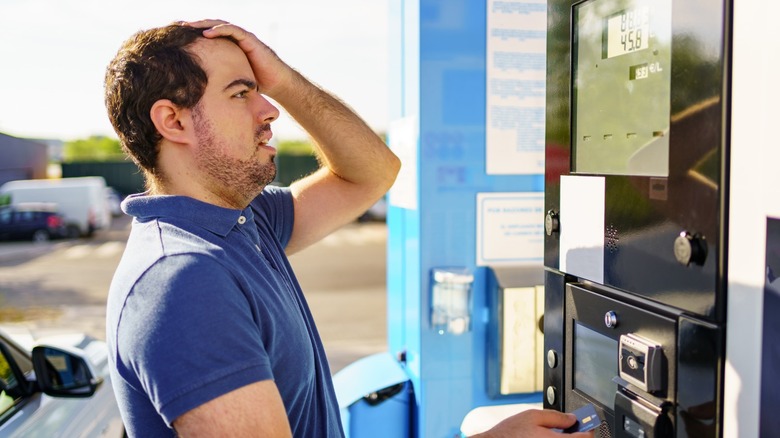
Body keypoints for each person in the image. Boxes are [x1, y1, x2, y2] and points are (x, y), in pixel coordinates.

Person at [104, 20, 592, 438]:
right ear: (173, 121)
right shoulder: (183, 279)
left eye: (264, 91)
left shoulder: (244, 223)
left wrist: (287, 79)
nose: (269, 109)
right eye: (241, 93)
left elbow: (372, 172)